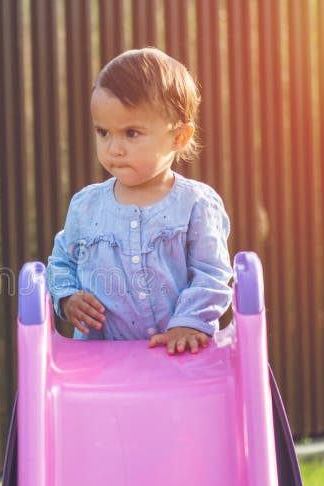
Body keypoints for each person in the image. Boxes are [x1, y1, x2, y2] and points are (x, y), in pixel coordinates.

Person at [47, 47, 233, 355]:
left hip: (178, 361)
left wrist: (189, 323)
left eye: (131, 133)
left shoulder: (194, 204)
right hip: (103, 367)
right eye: (103, 132)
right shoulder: (87, 206)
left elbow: (212, 272)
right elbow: (61, 261)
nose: (114, 148)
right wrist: (67, 297)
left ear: (179, 137)